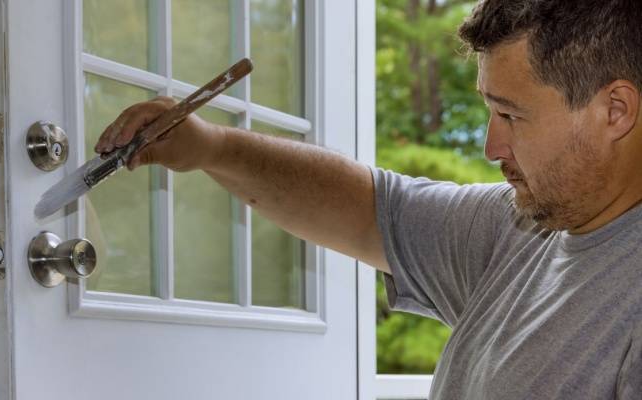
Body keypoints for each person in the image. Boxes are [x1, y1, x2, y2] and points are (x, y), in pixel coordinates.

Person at [94, 0, 642, 398]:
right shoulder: (523, 228)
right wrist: (209, 146)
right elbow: (367, 207)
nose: (490, 145)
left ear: (615, 110)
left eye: (511, 115)